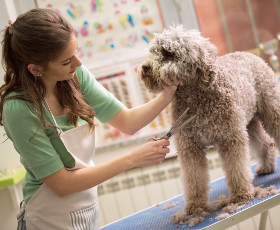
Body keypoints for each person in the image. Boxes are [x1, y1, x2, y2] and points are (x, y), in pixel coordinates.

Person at [0, 8, 178, 230]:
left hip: (87, 210)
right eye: (66, 61)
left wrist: (168, 94)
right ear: (36, 68)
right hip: (47, 218)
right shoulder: (19, 108)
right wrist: (132, 159)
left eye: (76, 52)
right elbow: (61, 184)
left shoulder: (75, 77)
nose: (78, 63)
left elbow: (127, 121)